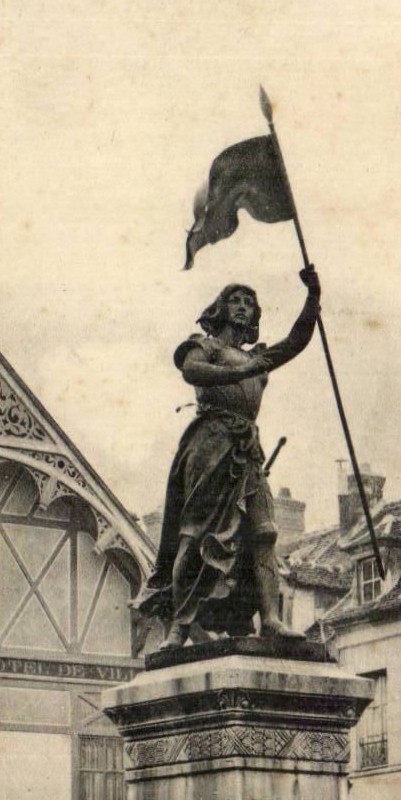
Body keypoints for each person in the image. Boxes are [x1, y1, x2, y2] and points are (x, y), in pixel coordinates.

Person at [136, 268, 321, 646]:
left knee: (264, 532)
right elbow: (191, 371)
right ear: (220, 308)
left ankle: (269, 618)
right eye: (235, 300)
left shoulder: (257, 356)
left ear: (255, 315)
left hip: (247, 450)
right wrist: (244, 371)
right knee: (196, 535)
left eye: (248, 303)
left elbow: (297, 340)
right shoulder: (205, 346)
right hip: (210, 445)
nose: (242, 307)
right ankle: (179, 627)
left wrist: (313, 297)